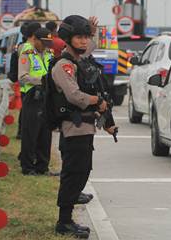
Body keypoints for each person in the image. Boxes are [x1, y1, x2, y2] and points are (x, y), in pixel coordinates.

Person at [51, 15, 117, 238]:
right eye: (79, 37)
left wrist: (93, 32)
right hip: (74, 127)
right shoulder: (64, 65)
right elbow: (75, 96)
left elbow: (90, 50)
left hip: (85, 127)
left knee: (81, 172)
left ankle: (66, 220)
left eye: (86, 37)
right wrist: (96, 101)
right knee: (74, 174)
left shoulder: (77, 60)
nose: (84, 41)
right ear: (68, 39)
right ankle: (64, 222)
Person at [19, 26, 54, 175]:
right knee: (30, 133)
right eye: (43, 42)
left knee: (46, 133)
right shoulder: (27, 52)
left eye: (48, 42)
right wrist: (41, 81)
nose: (46, 45)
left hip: (47, 96)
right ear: (35, 40)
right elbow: (22, 77)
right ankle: (27, 167)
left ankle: (42, 166)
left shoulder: (49, 53)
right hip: (32, 96)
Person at [15, 22, 41, 139]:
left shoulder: (34, 47)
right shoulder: (26, 48)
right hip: (29, 87)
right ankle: (23, 133)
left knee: (28, 114)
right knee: (28, 115)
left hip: (33, 87)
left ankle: (23, 133)